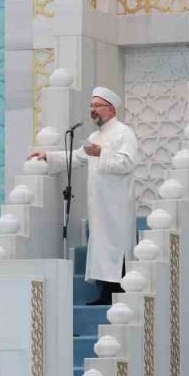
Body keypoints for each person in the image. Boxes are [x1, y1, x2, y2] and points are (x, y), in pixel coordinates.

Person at [28, 86, 140, 305]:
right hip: (99, 203)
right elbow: (77, 157)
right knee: (102, 247)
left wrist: (102, 153)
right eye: (91, 106)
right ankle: (105, 292)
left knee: (116, 247)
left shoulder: (124, 133)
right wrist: (48, 156)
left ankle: (117, 293)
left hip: (116, 203)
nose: (93, 110)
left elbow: (128, 162)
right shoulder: (95, 135)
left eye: (97, 106)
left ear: (110, 109)